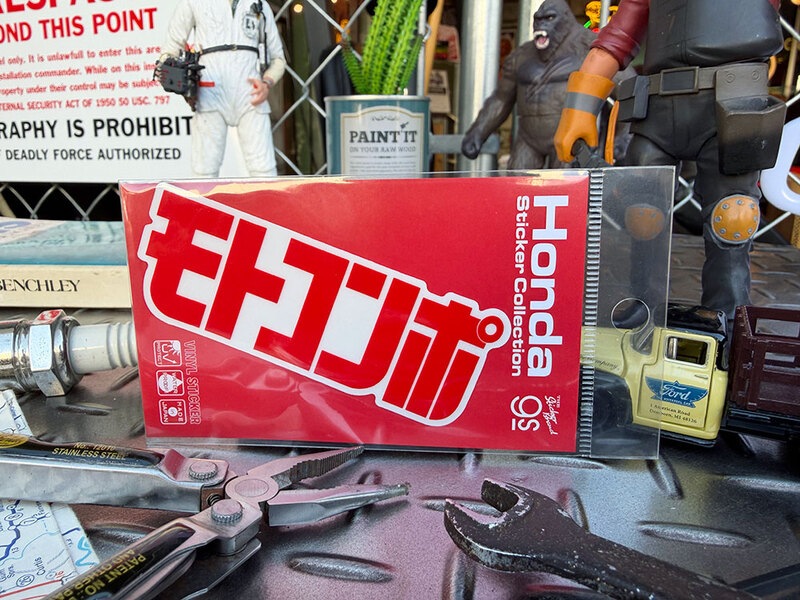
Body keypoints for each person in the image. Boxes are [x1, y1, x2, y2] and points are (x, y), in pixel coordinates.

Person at [554, 0, 786, 324]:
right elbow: (618, 36)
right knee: (643, 215)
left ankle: (728, 317)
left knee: (733, 216)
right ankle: (643, 306)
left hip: (735, 98)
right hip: (658, 106)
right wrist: (579, 108)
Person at [160, 0, 287, 177]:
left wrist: (267, 82)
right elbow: (170, 50)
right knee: (204, 171)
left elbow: (278, 59)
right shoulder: (193, 3)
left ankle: (265, 196)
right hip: (209, 92)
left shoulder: (259, 4)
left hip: (250, 94)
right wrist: (179, 80)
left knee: (264, 170)